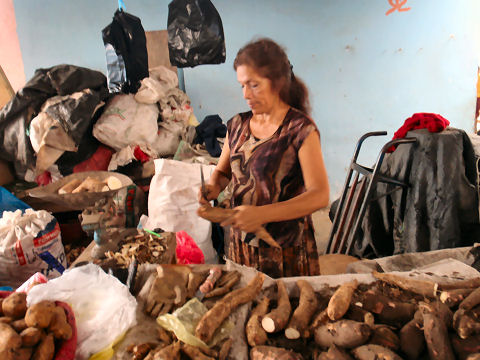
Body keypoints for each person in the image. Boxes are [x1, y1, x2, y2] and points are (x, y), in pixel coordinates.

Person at [199, 38, 329, 278]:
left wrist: (261, 214)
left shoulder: (300, 130)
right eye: (242, 86)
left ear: (277, 83)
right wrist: (212, 187)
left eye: (254, 85)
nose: (246, 94)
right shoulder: (238, 124)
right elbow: (224, 172)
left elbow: (319, 195)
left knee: (286, 309)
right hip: (242, 247)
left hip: (285, 251)